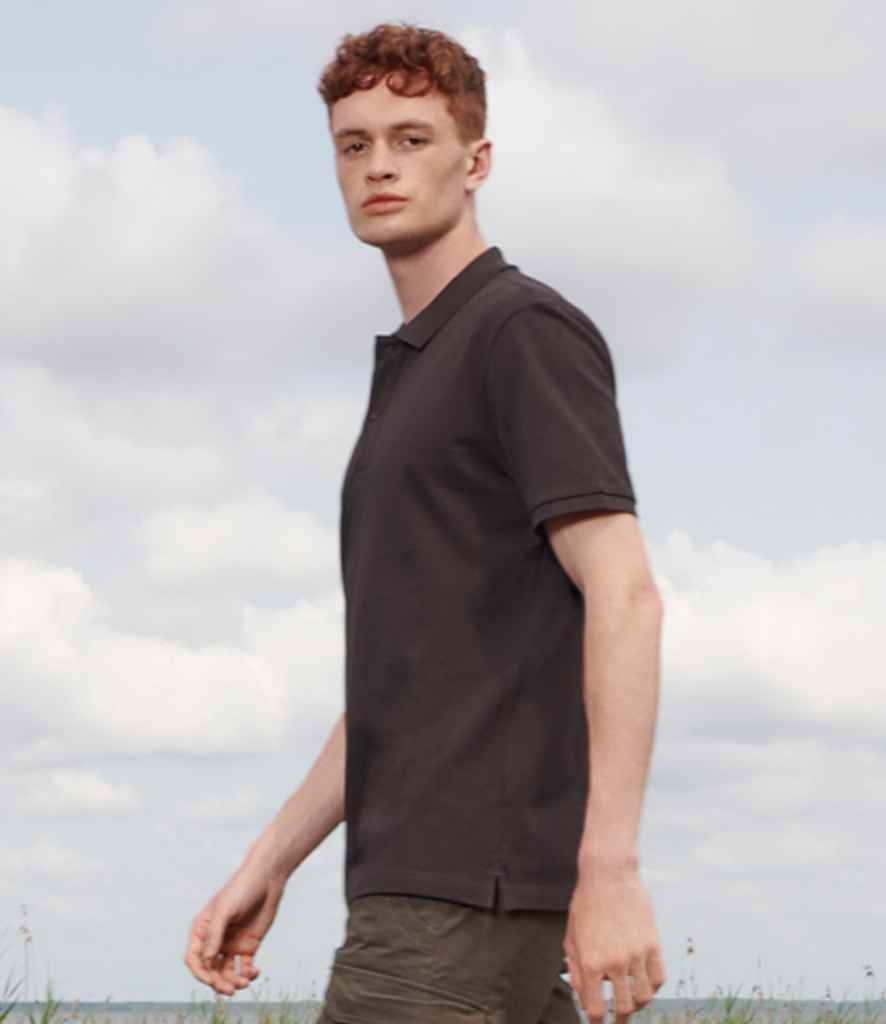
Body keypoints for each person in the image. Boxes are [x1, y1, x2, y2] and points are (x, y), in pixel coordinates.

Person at [184, 21, 667, 1024]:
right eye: (353, 144)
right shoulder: (416, 370)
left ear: (474, 160)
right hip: (436, 889)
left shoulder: (518, 331)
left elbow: (625, 593)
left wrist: (611, 867)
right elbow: (404, 682)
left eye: (411, 139)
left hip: (457, 898)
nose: (379, 166)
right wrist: (271, 858)